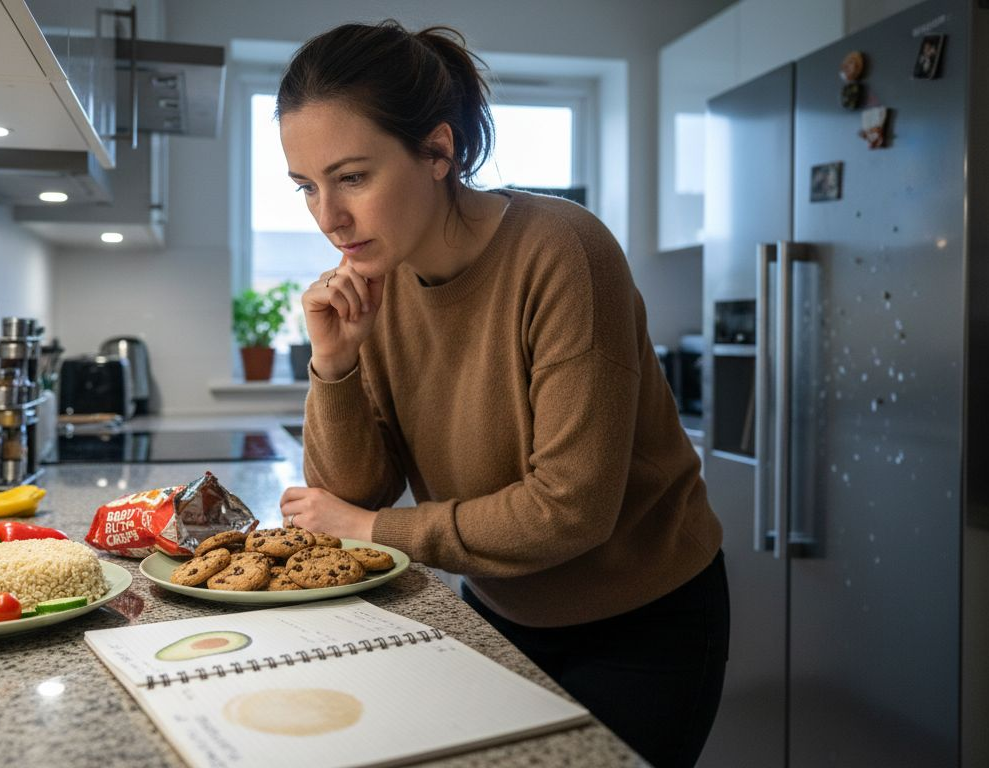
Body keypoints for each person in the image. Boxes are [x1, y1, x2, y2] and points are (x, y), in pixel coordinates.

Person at [274, 20, 729, 768]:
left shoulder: (563, 251)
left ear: (438, 153)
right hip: (498, 610)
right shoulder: (376, 283)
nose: (329, 218)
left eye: (352, 177)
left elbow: (571, 508)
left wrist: (378, 531)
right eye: (306, 187)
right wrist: (335, 365)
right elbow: (350, 494)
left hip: (644, 627)